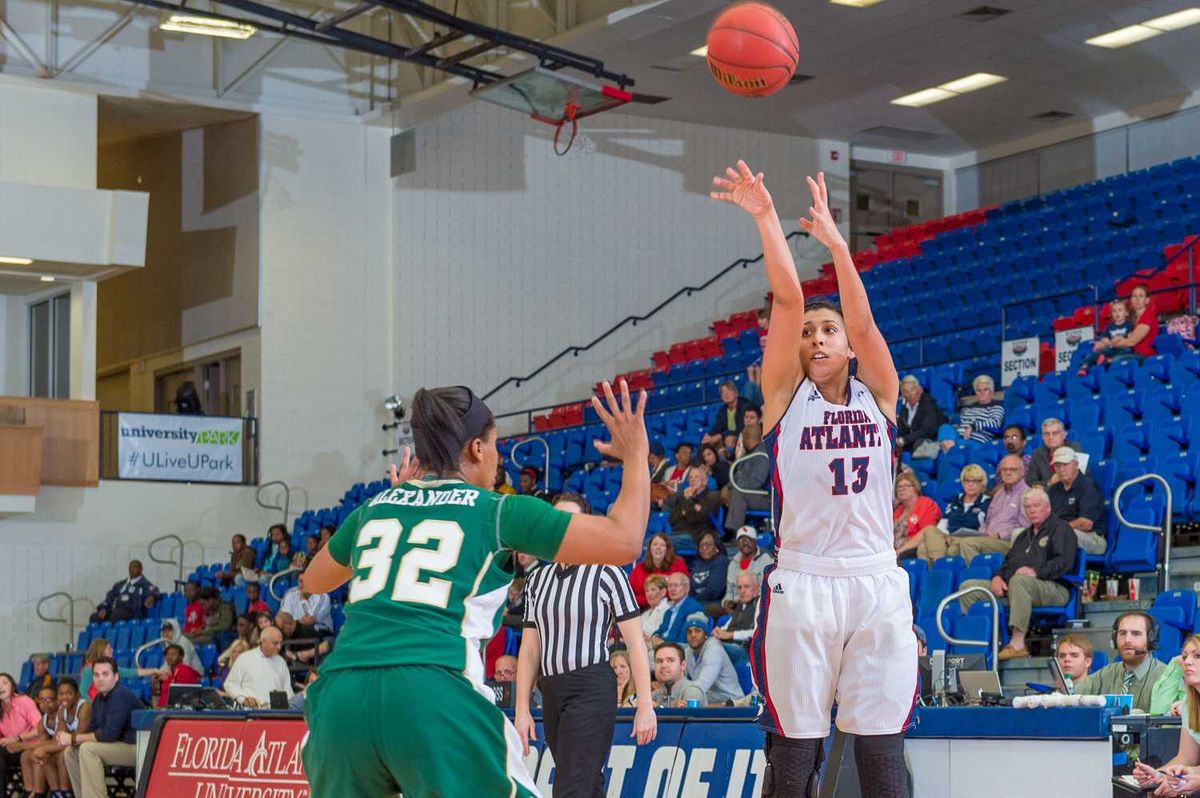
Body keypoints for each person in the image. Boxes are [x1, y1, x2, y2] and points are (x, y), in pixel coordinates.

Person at [300, 382, 651, 796]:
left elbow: (312, 581)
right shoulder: (496, 511)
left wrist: (398, 506)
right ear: (478, 450)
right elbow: (625, 540)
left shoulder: (374, 508)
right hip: (430, 691)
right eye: (496, 445)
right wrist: (636, 456)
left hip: (340, 702)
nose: (498, 457)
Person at [712, 161, 916, 797]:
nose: (819, 338)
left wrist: (836, 244)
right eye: (809, 335)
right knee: (795, 748)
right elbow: (788, 298)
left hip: (876, 577)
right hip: (804, 580)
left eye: (829, 332)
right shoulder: (782, 398)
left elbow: (863, 322)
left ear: (846, 346)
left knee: (882, 746)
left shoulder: (877, 394)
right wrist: (768, 217)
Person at [514, 492, 656, 798]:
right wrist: (522, 709)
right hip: (550, 690)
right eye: (557, 519)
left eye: (572, 519)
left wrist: (645, 704)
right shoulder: (537, 579)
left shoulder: (608, 572)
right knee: (587, 786)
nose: (564, 525)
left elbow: (635, 644)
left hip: (591, 687)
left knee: (569, 788)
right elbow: (529, 651)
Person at [959, 489, 1078, 660]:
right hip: (1018, 588)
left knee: (1019, 580)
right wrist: (998, 577)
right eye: (1028, 507)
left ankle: (1017, 644)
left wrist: (1036, 572)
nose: (1032, 510)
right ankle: (984, 641)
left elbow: (1064, 563)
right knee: (969, 587)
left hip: (1055, 588)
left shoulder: (1061, 529)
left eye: (1036, 505)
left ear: (1047, 507)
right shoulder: (1023, 535)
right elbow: (1008, 563)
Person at [62, 658, 144, 798]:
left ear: (116, 677)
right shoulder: (98, 699)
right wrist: (70, 739)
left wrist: (74, 738)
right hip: (117, 746)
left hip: (136, 748)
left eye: (105, 674)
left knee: (88, 749)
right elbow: (91, 730)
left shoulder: (121, 695)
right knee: (71, 752)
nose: (100, 679)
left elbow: (108, 735)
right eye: (96, 674)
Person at [1132, 634, 1200, 796]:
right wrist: (1159, 775)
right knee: (1155, 792)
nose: (1187, 662)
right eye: (1184, 657)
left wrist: (1192, 775)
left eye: (1197, 656)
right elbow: (1186, 757)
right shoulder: (1188, 706)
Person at [1075, 612, 1167, 712]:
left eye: (1136, 634)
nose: (1127, 640)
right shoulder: (1104, 674)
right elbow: (1073, 695)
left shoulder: (1165, 677)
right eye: (1122, 633)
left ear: (1151, 639)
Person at [955, 455, 1029, 563]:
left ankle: (978, 577)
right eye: (1004, 469)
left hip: (1008, 542)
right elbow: (988, 521)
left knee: (968, 544)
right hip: (988, 538)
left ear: (1022, 472)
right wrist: (983, 533)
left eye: (1012, 469)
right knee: (954, 549)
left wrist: (1000, 535)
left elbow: (1025, 528)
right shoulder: (999, 494)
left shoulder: (1027, 494)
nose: (1008, 472)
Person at [915, 465, 991, 563]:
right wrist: (945, 535)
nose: (970, 484)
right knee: (926, 538)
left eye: (975, 481)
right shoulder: (956, 499)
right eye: (967, 481)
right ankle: (937, 567)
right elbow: (944, 522)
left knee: (949, 550)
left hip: (967, 539)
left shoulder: (986, 502)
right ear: (962, 483)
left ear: (982, 484)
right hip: (948, 537)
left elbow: (985, 528)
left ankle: (939, 564)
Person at [30, 677, 89, 798]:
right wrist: (42, 751)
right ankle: (57, 793)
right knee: (46, 757)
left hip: (86, 744)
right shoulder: (62, 710)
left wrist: (44, 748)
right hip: (72, 744)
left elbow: (78, 736)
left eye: (69, 693)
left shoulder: (84, 707)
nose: (65, 697)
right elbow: (60, 738)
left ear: (77, 695)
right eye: (61, 694)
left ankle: (67, 792)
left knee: (63, 754)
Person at [1047, 447, 1107, 555]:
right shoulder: (1053, 489)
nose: (1061, 469)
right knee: (1019, 534)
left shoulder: (1088, 486)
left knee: (1063, 535)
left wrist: (1058, 529)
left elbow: (1086, 524)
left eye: (1065, 464)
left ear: (1076, 464)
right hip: (1058, 533)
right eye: (1057, 466)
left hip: (1091, 537)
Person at [222, 626, 293, 708]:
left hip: (274, 713)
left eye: (280, 643)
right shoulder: (245, 658)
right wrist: (243, 699)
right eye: (275, 643)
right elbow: (230, 684)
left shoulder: (281, 662)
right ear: (263, 642)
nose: (279, 647)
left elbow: (288, 690)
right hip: (250, 712)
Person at [683, 613, 745, 705]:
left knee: (688, 699)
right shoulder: (688, 651)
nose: (693, 635)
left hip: (731, 701)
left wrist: (679, 693)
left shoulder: (714, 650)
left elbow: (702, 685)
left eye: (698, 631)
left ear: (706, 634)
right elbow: (681, 680)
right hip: (710, 696)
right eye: (689, 632)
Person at [724, 423, 771, 535]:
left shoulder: (762, 453)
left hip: (767, 497)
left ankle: (734, 533)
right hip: (751, 493)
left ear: (746, 438)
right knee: (717, 494)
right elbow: (736, 477)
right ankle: (717, 532)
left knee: (739, 493)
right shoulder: (748, 454)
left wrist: (734, 488)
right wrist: (726, 487)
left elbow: (756, 481)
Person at [0, 673, 42, 788]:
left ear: (13, 686)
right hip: (11, 750)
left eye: (5, 683)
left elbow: (40, 728)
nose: (1, 687)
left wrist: (17, 738)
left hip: (30, 746)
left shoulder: (24, 701)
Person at [14, 685, 56, 797]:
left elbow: (55, 743)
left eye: (50, 700)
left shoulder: (61, 716)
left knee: (38, 755)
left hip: (61, 748)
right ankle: (29, 791)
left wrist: (20, 745)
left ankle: (38, 792)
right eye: (42, 700)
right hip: (50, 748)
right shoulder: (43, 721)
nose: (45, 704)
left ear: (57, 701)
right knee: (25, 756)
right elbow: (43, 742)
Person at [665, 465, 720, 549]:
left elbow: (693, 518)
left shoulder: (711, 497)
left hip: (695, 537)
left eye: (696, 477)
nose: (693, 480)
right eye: (690, 478)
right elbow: (672, 519)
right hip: (677, 534)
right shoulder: (687, 497)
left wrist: (686, 503)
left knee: (660, 543)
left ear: (705, 481)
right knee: (650, 541)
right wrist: (688, 509)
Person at [628, 533, 689, 608]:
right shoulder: (639, 568)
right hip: (642, 609)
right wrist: (649, 600)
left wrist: (655, 600)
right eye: (655, 544)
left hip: (671, 607)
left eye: (662, 545)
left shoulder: (678, 564)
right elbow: (629, 595)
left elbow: (683, 590)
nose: (658, 547)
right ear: (650, 548)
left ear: (667, 549)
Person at [893, 471, 942, 559]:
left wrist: (899, 551)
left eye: (906, 486)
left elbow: (926, 533)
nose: (901, 489)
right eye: (899, 486)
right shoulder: (898, 510)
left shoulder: (927, 505)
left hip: (915, 547)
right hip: (896, 548)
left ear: (915, 488)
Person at [721, 527, 773, 608]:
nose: (745, 543)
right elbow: (729, 592)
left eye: (748, 540)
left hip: (757, 605)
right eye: (741, 540)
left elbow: (768, 591)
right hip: (736, 605)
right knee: (708, 610)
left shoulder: (767, 560)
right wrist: (727, 603)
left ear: (755, 541)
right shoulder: (733, 563)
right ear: (737, 544)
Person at [1078, 298, 1134, 373]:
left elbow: (1130, 338)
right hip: (1111, 347)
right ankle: (1085, 366)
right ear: (1111, 314)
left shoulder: (1129, 324)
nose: (1117, 313)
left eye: (1120, 310)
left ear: (1126, 313)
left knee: (1127, 351)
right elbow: (1104, 338)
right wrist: (1109, 343)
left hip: (1122, 347)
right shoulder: (1109, 326)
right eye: (1114, 311)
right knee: (1099, 352)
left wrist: (1121, 340)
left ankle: (1107, 360)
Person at [714, 572, 760, 662]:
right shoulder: (739, 604)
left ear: (756, 588)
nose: (742, 591)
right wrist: (719, 631)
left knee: (711, 648)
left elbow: (758, 632)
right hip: (729, 644)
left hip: (743, 649)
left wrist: (732, 635)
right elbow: (729, 625)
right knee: (699, 645)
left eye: (746, 586)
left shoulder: (760, 604)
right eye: (739, 587)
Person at [1025, 418, 1083, 488]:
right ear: (1042, 437)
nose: (1051, 437)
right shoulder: (1037, 454)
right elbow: (1030, 483)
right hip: (1046, 495)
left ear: (1064, 435)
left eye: (1055, 433)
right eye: (1046, 434)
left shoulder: (1075, 448)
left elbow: (1084, 476)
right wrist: (1049, 482)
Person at [650, 573, 705, 646]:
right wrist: (655, 637)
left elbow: (685, 638)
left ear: (687, 588)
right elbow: (660, 630)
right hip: (663, 647)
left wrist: (664, 644)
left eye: (676, 585)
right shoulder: (668, 611)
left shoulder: (693, 607)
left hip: (679, 649)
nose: (672, 589)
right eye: (670, 586)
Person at [1108, 284, 1159, 363]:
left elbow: (1132, 341)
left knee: (1116, 360)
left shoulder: (1148, 316)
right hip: (1130, 353)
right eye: (1134, 296)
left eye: (1141, 296)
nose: (1137, 299)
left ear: (1147, 300)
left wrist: (1112, 344)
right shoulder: (1130, 318)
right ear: (1131, 300)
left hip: (1145, 356)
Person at [896, 375, 943, 457]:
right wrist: (896, 439)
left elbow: (927, 430)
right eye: (906, 391)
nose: (909, 394)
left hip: (928, 439)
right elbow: (901, 428)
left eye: (912, 390)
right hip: (911, 440)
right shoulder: (905, 408)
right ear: (903, 394)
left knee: (918, 444)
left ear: (920, 389)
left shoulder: (929, 404)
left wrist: (904, 440)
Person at [650, 643, 707, 708]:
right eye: (659, 661)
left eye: (671, 660)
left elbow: (690, 716)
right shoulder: (654, 695)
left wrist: (658, 708)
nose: (664, 665)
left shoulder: (692, 692)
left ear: (683, 665)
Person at [956, 375, 1005, 444]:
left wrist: (973, 426)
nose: (982, 393)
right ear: (975, 392)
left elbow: (995, 423)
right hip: (958, 437)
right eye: (979, 390)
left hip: (976, 440)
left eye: (985, 390)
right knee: (945, 428)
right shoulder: (969, 408)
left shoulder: (996, 406)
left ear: (991, 391)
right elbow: (961, 423)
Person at [690, 531, 730, 615]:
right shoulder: (696, 564)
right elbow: (691, 589)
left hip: (714, 603)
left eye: (708, 544)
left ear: (716, 547)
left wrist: (692, 601)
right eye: (701, 545)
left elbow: (714, 591)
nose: (704, 548)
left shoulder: (721, 562)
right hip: (698, 601)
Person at [702, 381, 752, 446]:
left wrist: (721, 435)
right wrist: (709, 436)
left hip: (743, 436)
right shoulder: (722, 410)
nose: (726, 394)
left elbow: (741, 429)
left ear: (736, 393)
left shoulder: (745, 406)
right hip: (726, 437)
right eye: (723, 392)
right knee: (708, 442)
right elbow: (717, 427)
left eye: (729, 391)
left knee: (729, 440)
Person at [639, 575, 672, 639]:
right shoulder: (645, 614)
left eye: (653, 589)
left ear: (663, 592)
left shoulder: (668, 611)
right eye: (647, 591)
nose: (649, 594)